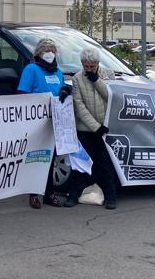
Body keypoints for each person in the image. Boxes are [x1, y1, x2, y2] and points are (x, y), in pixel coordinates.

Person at [65, 48, 120, 210]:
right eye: (85, 66)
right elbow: (79, 106)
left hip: (105, 127)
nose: (88, 69)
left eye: (91, 66)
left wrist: (97, 81)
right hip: (86, 129)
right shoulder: (77, 79)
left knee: (105, 164)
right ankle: (73, 195)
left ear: (97, 64)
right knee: (80, 163)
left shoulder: (108, 75)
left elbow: (111, 97)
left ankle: (111, 197)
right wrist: (95, 127)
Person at [17, 38, 66, 208]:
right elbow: (23, 92)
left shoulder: (58, 72)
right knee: (36, 158)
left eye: (52, 50)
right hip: (37, 121)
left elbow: (61, 91)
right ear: (39, 53)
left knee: (51, 159)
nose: (50, 53)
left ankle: (49, 193)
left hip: (54, 121)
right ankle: (33, 193)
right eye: (46, 50)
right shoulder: (31, 69)